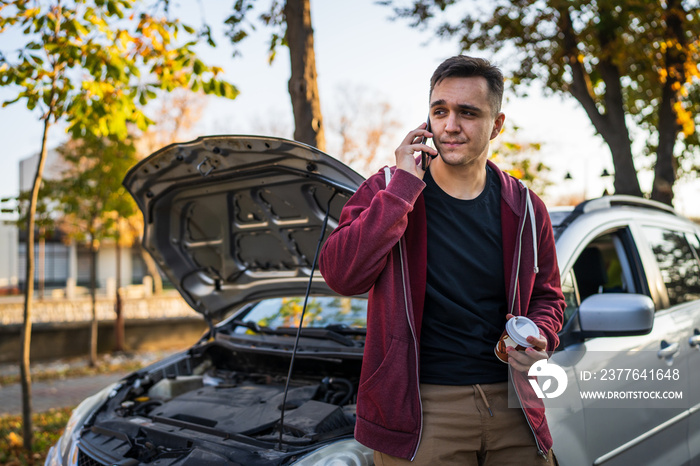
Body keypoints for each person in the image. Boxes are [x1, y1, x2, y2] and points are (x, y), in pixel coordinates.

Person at [318, 55, 565, 465]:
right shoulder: (386, 188)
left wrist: (541, 333)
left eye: (468, 113)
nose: (450, 126)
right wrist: (401, 193)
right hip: (420, 412)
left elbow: (548, 296)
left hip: (515, 403)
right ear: (427, 119)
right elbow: (342, 276)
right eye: (440, 111)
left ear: (497, 124)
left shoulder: (525, 206)